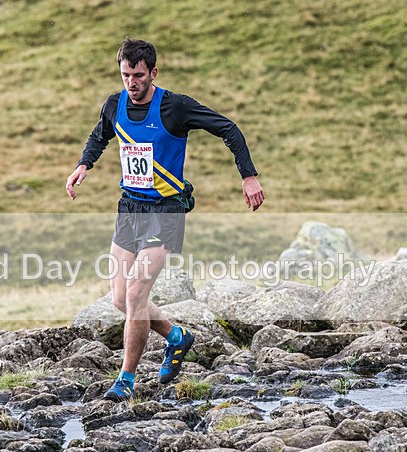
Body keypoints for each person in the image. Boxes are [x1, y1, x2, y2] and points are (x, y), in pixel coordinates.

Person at [65, 39, 264, 401]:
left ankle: (125, 380)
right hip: (129, 210)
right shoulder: (115, 104)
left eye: (138, 75)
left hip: (166, 212)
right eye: (125, 74)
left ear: (153, 72)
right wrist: (83, 165)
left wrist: (248, 175)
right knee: (120, 299)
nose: (131, 82)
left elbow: (229, 129)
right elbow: (100, 135)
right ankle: (177, 337)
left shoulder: (175, 107)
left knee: (138, 293)